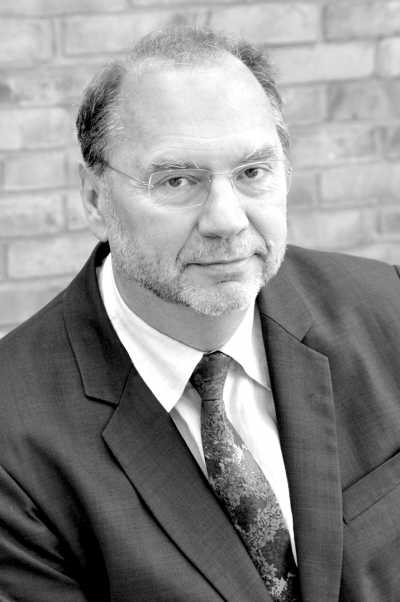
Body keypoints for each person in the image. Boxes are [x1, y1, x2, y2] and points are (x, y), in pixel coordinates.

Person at [0, 25, 400, 602]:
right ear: (94, 199)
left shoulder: (386, 309)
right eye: (177, 180)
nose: (227, 220)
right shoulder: (13, 443)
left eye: (252, 172)